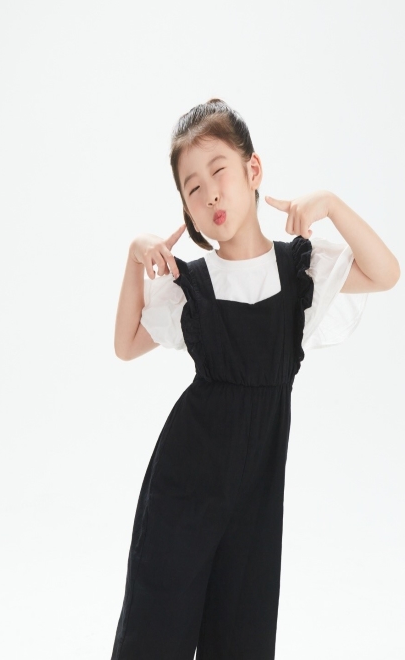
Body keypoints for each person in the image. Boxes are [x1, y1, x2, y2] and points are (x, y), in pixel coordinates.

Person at [111, 98, 400, 660]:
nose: (210, 194)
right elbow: (126, 346)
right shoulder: (192, 284)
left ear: (253, 170)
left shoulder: (300, 270)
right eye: (193, 188)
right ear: (188, 211)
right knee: (156, 632)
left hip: (256, 499)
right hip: (183, 489)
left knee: (243, 637)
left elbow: (386, 272)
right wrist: (132, 257)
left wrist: (331, 204)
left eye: (218, 170)